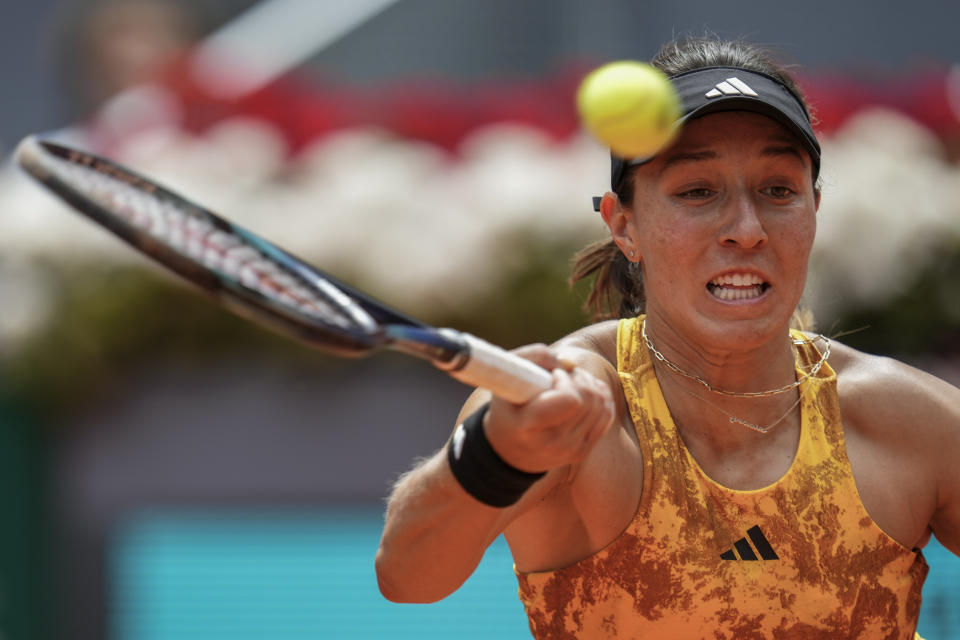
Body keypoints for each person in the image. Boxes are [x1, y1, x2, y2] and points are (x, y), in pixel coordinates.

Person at [375, 36, 960, 639]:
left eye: (778, 190)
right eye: (696, 191)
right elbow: (408, 577)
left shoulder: (909, 419)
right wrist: (498, 454)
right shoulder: (575, 406)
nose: (747, 229)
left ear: (814, 206)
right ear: (623, 224)